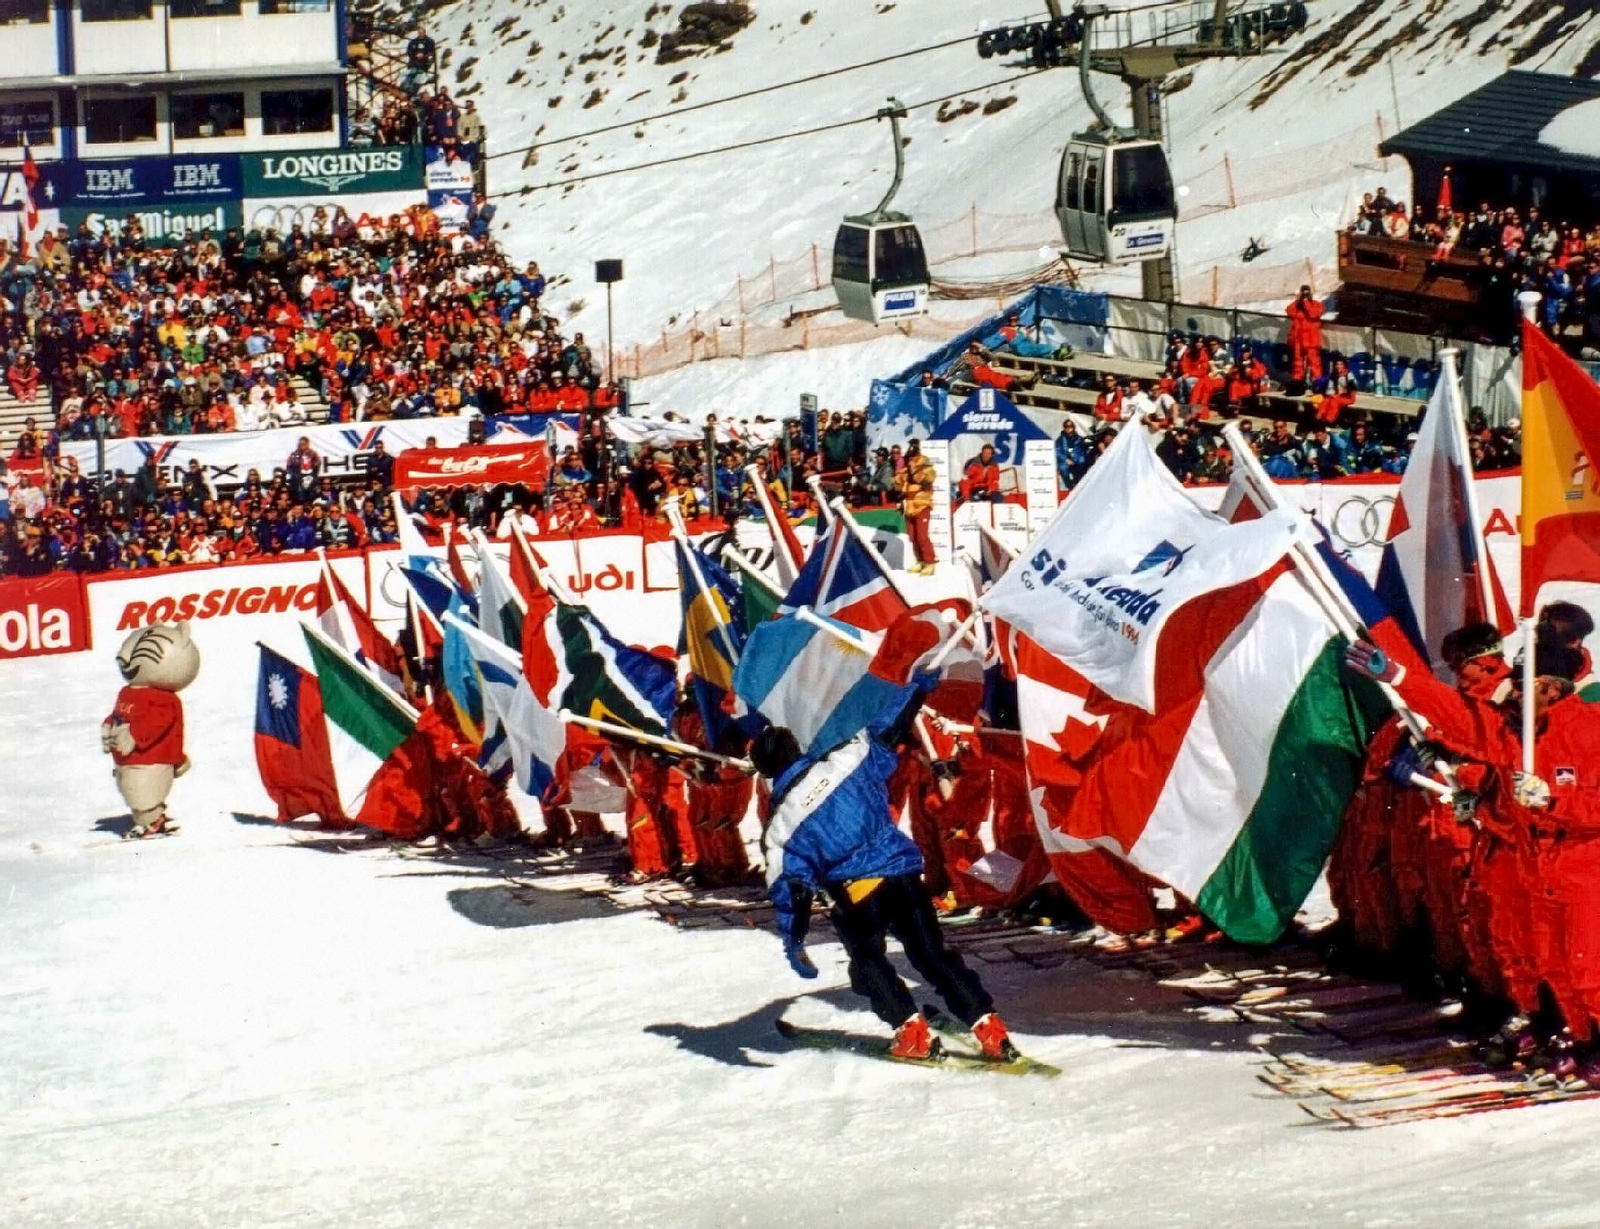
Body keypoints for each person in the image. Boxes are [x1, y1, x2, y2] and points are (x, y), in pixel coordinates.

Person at [752, 720, 1017, 1062]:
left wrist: (795, 942)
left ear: (766, 771)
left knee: (868, 963)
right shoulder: (843, 762)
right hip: (904, 877)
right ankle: (989, 1027)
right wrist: (916, 683)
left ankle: (911, 1033)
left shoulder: (779, 825)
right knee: (933, 956)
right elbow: (886, 728)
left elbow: (790, 890)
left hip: (858, 893)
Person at [899, 439, 937, 575]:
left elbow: (926, 481)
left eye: (913, 456)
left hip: (921, 506)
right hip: (909, 506)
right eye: (910, 457)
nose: (911, 459)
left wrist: (913, 469)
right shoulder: (907, 467)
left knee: (922, 536)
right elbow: (898, 484)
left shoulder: (927, 467)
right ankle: (920, 561)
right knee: (912, 536)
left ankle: (930, 562)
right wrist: (901, 477)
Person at [1285, 284, 1325, 384]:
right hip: (1298, 339)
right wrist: (1298, 300)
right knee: (1297, 362)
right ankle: (1297, 381)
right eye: (1304, 292)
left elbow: (1314, 314)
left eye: (1307, 292)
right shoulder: (1297, 307)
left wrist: (1306, 302)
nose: (1305, 295)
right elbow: (1289, 311)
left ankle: (1317, 382)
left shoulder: (1317, 304)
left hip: (1311, 340)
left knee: (1314, 362)